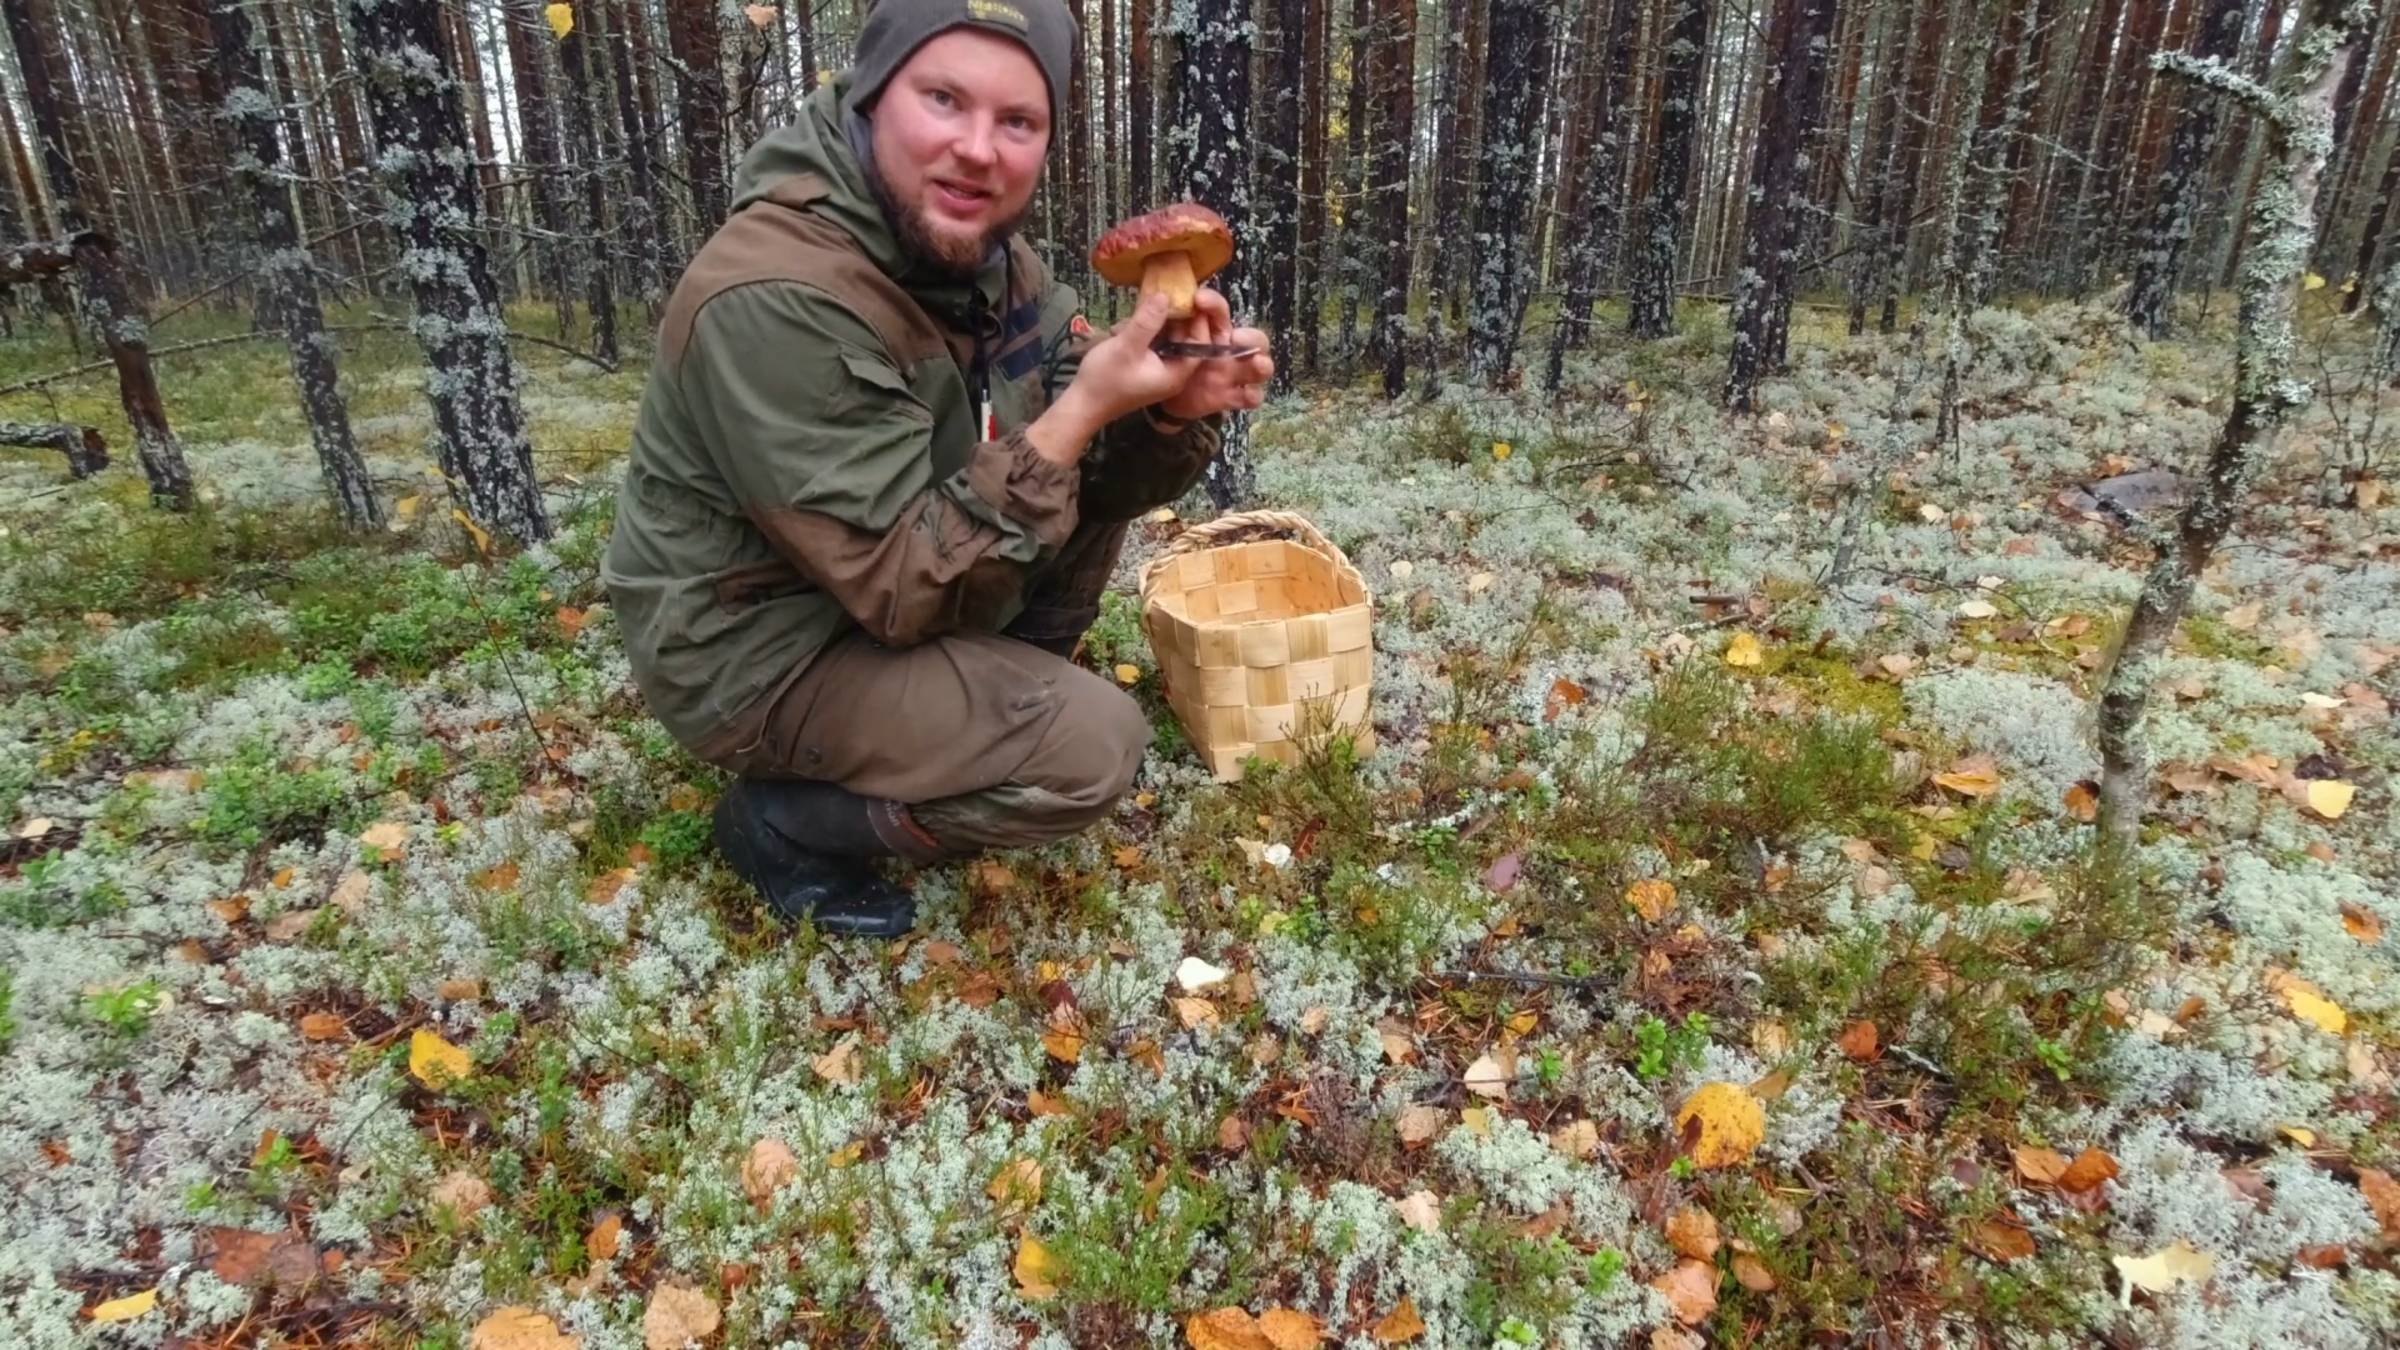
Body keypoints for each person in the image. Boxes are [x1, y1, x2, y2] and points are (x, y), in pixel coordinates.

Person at [601, 0, 1272, 938]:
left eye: (1018, 121)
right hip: (753, 650)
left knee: (1078, 468)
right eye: (943, 99)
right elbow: (897, 586)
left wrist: (1163, 409)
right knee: (1092, 751)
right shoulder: (777, 294)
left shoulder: (986, 258)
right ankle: (784, 821)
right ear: (876, 94)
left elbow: (1089, 465)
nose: (978, 150)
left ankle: (974, 719)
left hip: (881, 584)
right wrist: (1081, 411)